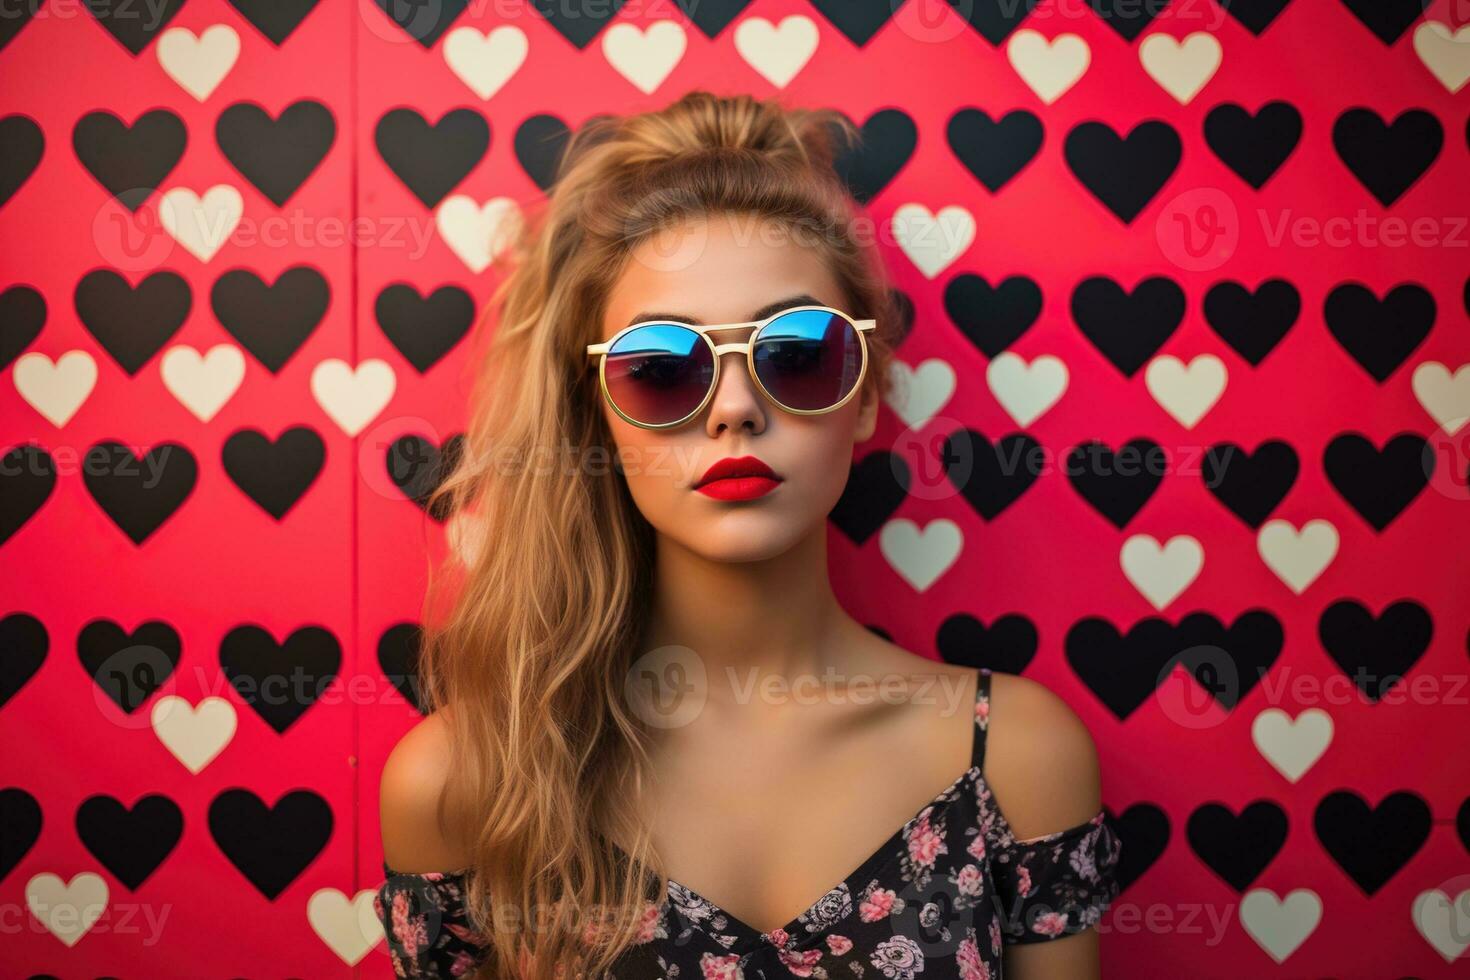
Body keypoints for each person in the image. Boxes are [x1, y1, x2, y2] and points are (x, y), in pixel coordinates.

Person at [374, 90, 1120, 979]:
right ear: (597, 412)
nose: (734, 409)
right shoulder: (461, 784)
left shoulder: (1018, 760)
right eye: (659, 367)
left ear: (869, 391)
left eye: (799, 352)